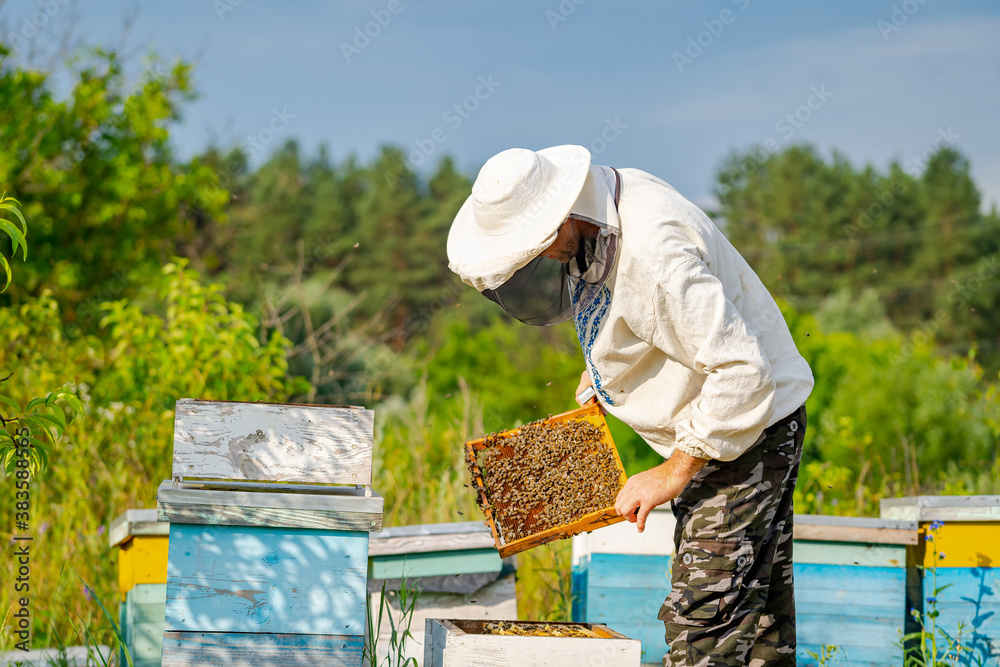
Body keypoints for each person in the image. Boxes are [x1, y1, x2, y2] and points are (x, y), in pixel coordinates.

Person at [446, 145, 814, 666]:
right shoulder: (600, 213)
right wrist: (606, 371)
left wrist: (672, 472)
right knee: (760, 634)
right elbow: (638, 315)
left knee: (704, 620)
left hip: (747, 431)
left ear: (561, 217)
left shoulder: (655, 255)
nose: (539, 260)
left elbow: (742, 373)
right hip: (722, 426)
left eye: (536, 246)